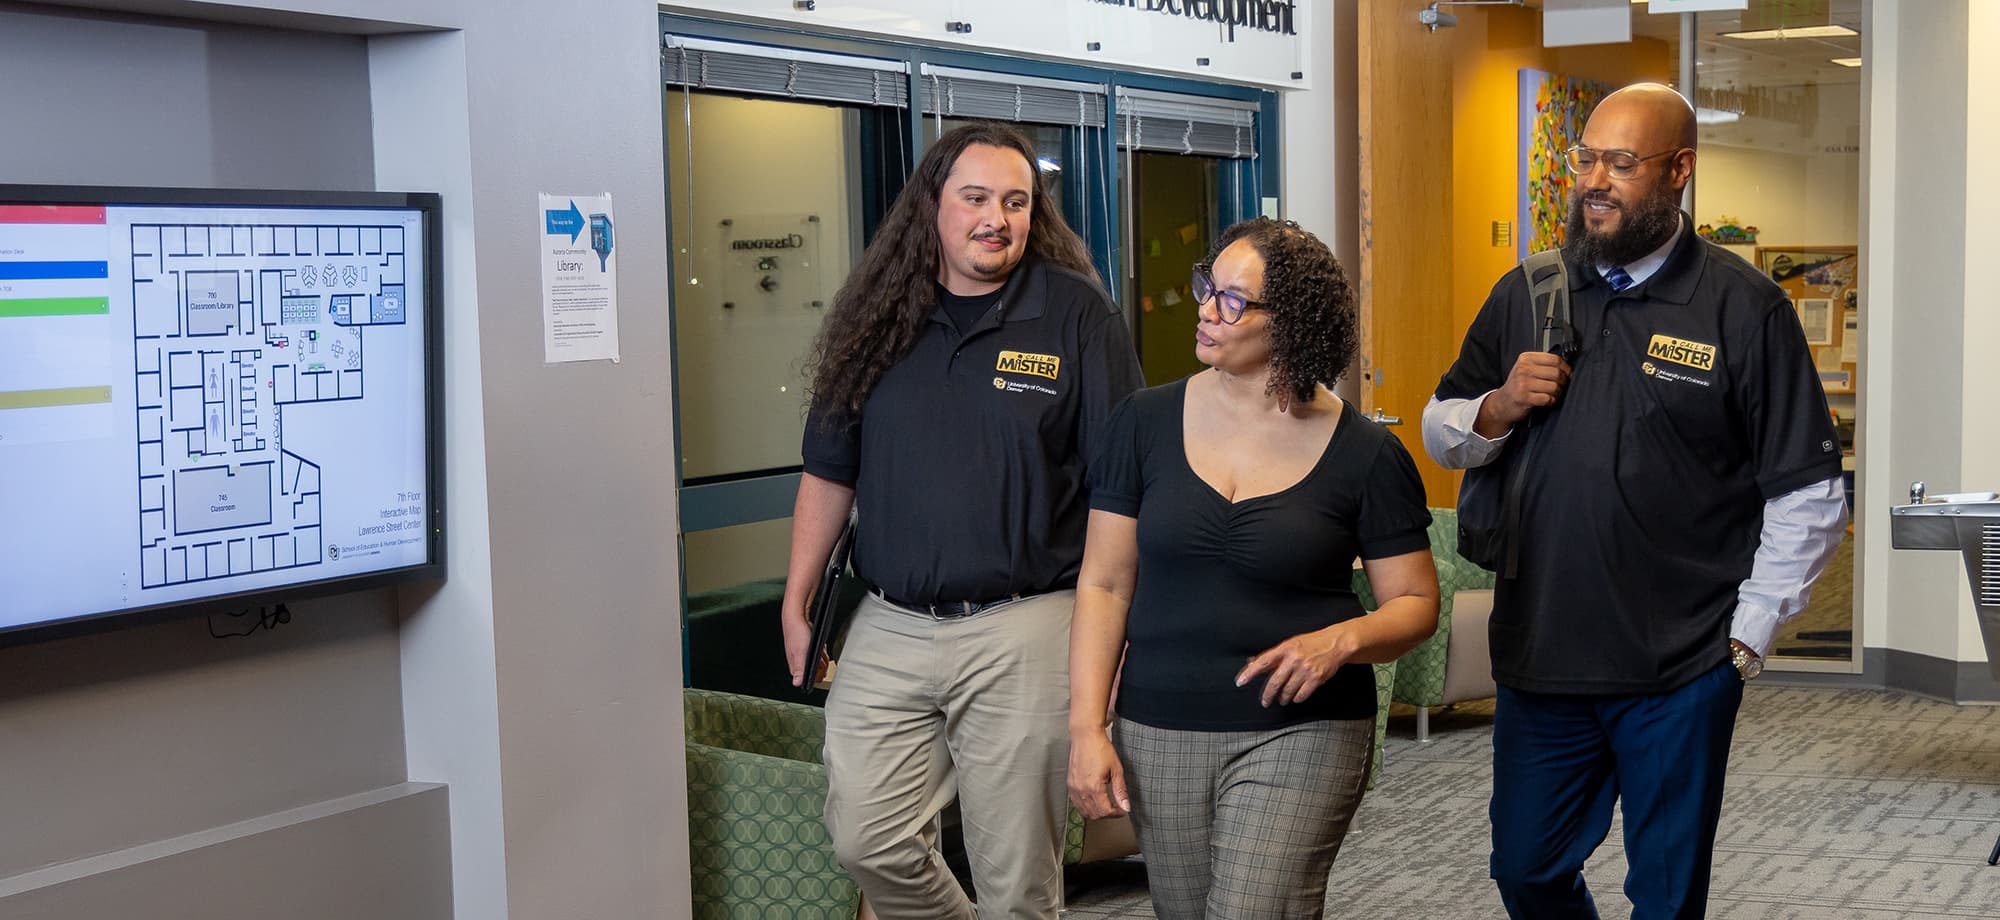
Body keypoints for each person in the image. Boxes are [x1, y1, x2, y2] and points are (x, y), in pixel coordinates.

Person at [1422, 83, 1848, 919]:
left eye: (1622, 162)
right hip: (1543, 653)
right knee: (1526, 870)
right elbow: (1442, 428)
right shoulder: (1529, 290)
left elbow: (1808, 491)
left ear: (1679, 171)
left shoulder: (1743, 308)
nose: (1595, 180)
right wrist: (1498, 405)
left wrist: (1747, 631)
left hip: (1681, 666)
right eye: (1587, 159)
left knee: (1663, 897)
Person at [780, 121, 1144, 920]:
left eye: (1016, 201)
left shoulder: (1076, 316)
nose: (997, 218)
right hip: (891, 624)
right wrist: (798, 597)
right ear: (932, 209)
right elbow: (829, 468)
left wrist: (1116, 642)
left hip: (1029, 624)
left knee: (1016, 879)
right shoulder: (878, 313)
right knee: (865, 839)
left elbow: (1124, 493)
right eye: (975, 197)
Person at [1068, 217, 1440, 920]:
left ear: (1293, 322)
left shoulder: (1365, 455)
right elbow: (1105, 583)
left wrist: (1344, 639)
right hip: (1161, 725)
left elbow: (1416, 602)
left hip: (1305, 728)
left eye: (1234, 301)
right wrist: (1087, 727)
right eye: (1208, 286)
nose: (1207, 310)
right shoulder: (1141, 424)